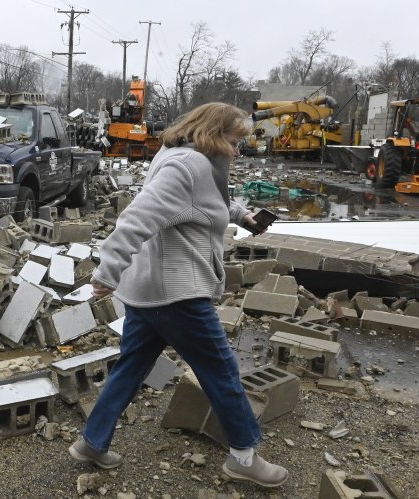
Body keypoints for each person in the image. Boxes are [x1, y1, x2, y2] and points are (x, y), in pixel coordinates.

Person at [67, 102, 289, 489]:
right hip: (177, 295)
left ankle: (92, 442)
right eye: (235, 141)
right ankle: (244, 456)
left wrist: (242, 217)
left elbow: (205, 200)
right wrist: (107, 271)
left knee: (131, 369)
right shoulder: (187, 166)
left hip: (150, 292)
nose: (238, 151)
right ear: (214, 133)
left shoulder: (183, 156)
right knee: (221, 372)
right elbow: (137, 217)